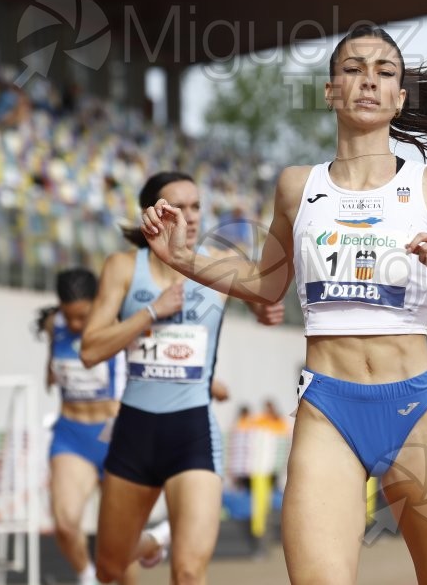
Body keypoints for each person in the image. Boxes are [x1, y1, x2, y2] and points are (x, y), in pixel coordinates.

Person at [141, 25, 427, 583]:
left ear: (400, 97)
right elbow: (264, 284)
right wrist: (183, 257)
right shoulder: (297, 187)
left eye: (384, 72)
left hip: (416, 408)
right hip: (329, 409)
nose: (367, 82)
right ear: (330, 91)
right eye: (352, 70)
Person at [80, 171, 284, 584]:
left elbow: (263, 294)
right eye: (177, 207)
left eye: (195, 207)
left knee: (189, 573)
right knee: (109, 569)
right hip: (135, 431)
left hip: (193, 431)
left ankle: (164, 545)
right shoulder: (123, 268)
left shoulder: (222, 265)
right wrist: (151, 312)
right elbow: (90, 350)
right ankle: (151, 543)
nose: (189, 216)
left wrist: (264, 310)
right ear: (150, 215)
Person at [36, 269, 140, 585]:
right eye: (70, 317)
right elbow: (51, 370)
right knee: (65, 523)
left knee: (120, 546)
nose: (76, 325)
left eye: (83, 317)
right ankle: (86, 577)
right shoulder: (56, 326)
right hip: (72, 436)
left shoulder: (118, 324)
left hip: (112, 434)